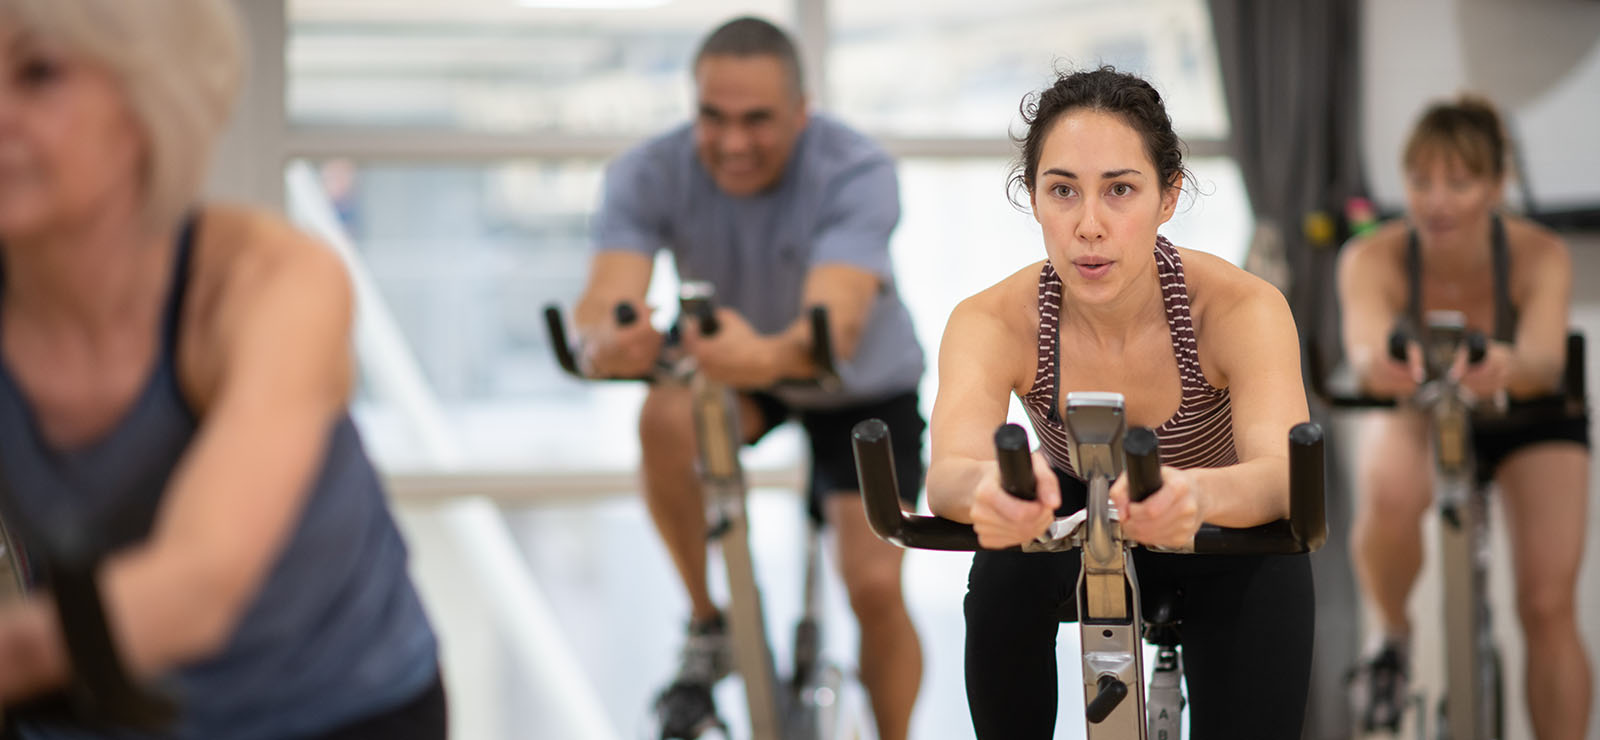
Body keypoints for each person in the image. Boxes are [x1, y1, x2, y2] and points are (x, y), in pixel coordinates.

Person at [0, 1, 444, 738]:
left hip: (337, 705)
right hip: (102, 709)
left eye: (38, 74)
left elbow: (200, 585)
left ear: (149, 102)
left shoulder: (264, 281)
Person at [925, 66, 1314, 739]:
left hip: (1222, 515)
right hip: (1073, 504)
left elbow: (1281, 475)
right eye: (1063, 191)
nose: (1090, 226)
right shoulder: (993, 319)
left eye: (1121, 191)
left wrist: (1194, 496)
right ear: (1033, 197)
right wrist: (986, 491)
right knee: (999, 571)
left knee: (1273, 567)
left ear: (1169, 197)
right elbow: (950, 471)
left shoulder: (1239, 309)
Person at [574, 15, 925, 740]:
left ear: (802, 111)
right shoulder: (649, 171)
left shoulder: (855, 169)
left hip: (853, 379)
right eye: (713, 117)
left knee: (872, 585)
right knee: (663, 417)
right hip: (735, 369)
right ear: (691, 104)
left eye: (758, 120)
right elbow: (601, 307)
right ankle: (710, 623)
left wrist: (760, 356)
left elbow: (836, 328)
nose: (733, 143)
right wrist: (612, 343)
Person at [1340, 95, 1591, 739]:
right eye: (1421, 181)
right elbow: (1365, 348)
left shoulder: (1539, 255)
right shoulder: (1375, 257)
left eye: (1460, 181)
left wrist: (1505, 365)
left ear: (1496, 186)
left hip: (1529, 414)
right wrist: (1385, 366)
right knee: (1389, 496)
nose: (1437, 201)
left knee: (1546, 605)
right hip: (1426, 405)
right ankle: (1391, 636)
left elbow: (1540, 359)